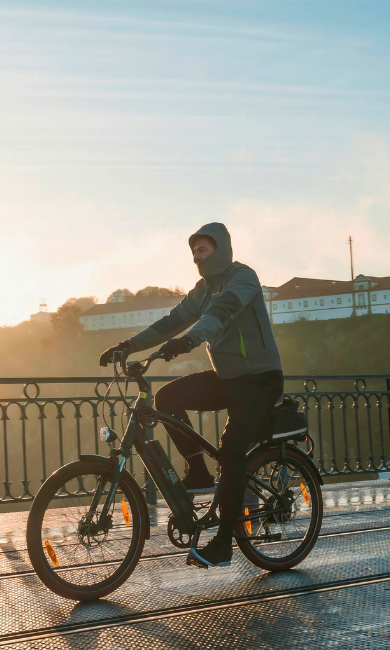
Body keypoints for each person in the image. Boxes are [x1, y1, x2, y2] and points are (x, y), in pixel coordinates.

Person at [98, 222, 283, 569]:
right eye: (194, 251)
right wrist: (127, 346)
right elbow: (171, 321)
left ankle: (224, 543)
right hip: (228, 379)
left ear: (221, 248)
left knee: (231, 452)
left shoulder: (242, 277)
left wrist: (189, 340)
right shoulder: (202, 290)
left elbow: (219, 314)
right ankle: (198, 471)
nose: (197, 256)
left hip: (259, 381)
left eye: (203, 249)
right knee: (167, 398)